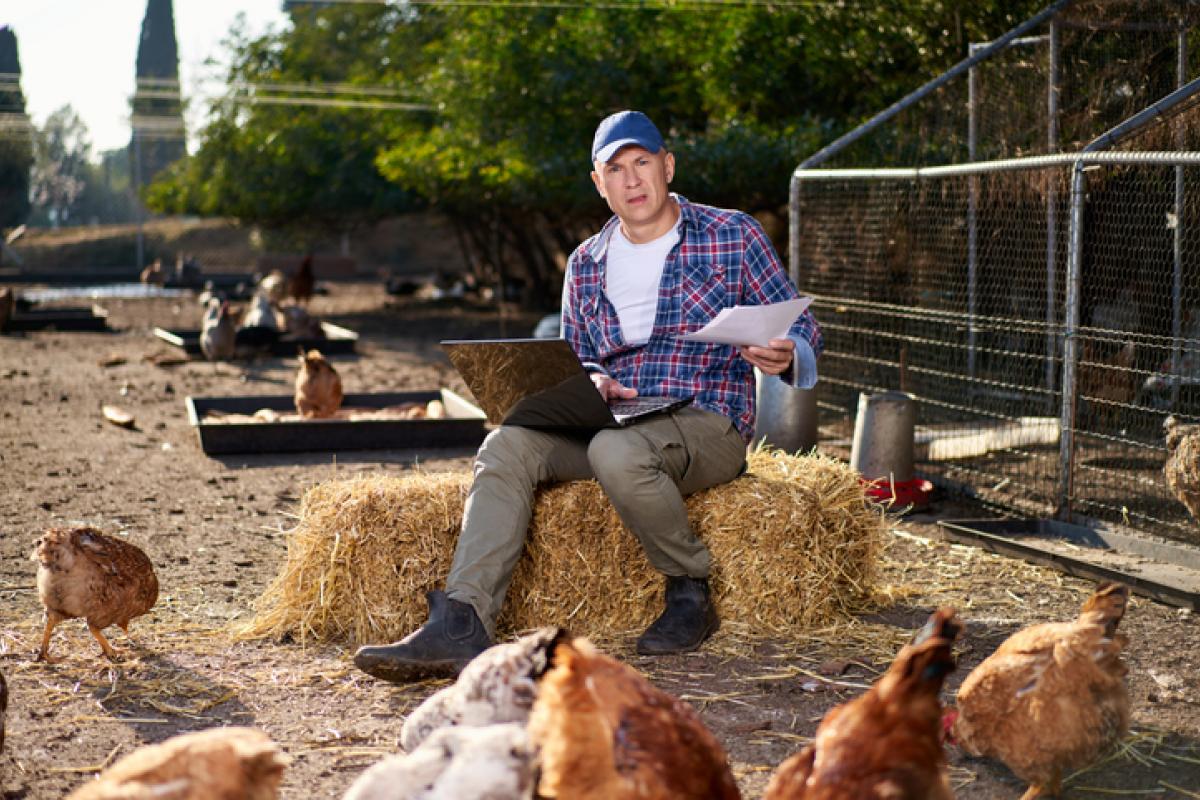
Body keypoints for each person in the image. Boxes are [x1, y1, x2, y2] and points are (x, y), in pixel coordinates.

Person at [354, 110, 822, 683]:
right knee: (506, 443)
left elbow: (803, 327)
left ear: (667, 166)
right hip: (614, 417)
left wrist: (786, 350)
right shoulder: (585, 264)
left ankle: (689, 588)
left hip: (706, 419)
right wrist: (592, 379)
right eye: (615, 170)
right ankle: (462, 623)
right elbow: (579, 356)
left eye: (642, 163)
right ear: (599, 184)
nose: (632, 180)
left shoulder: (733, 233)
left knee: (615, 452)